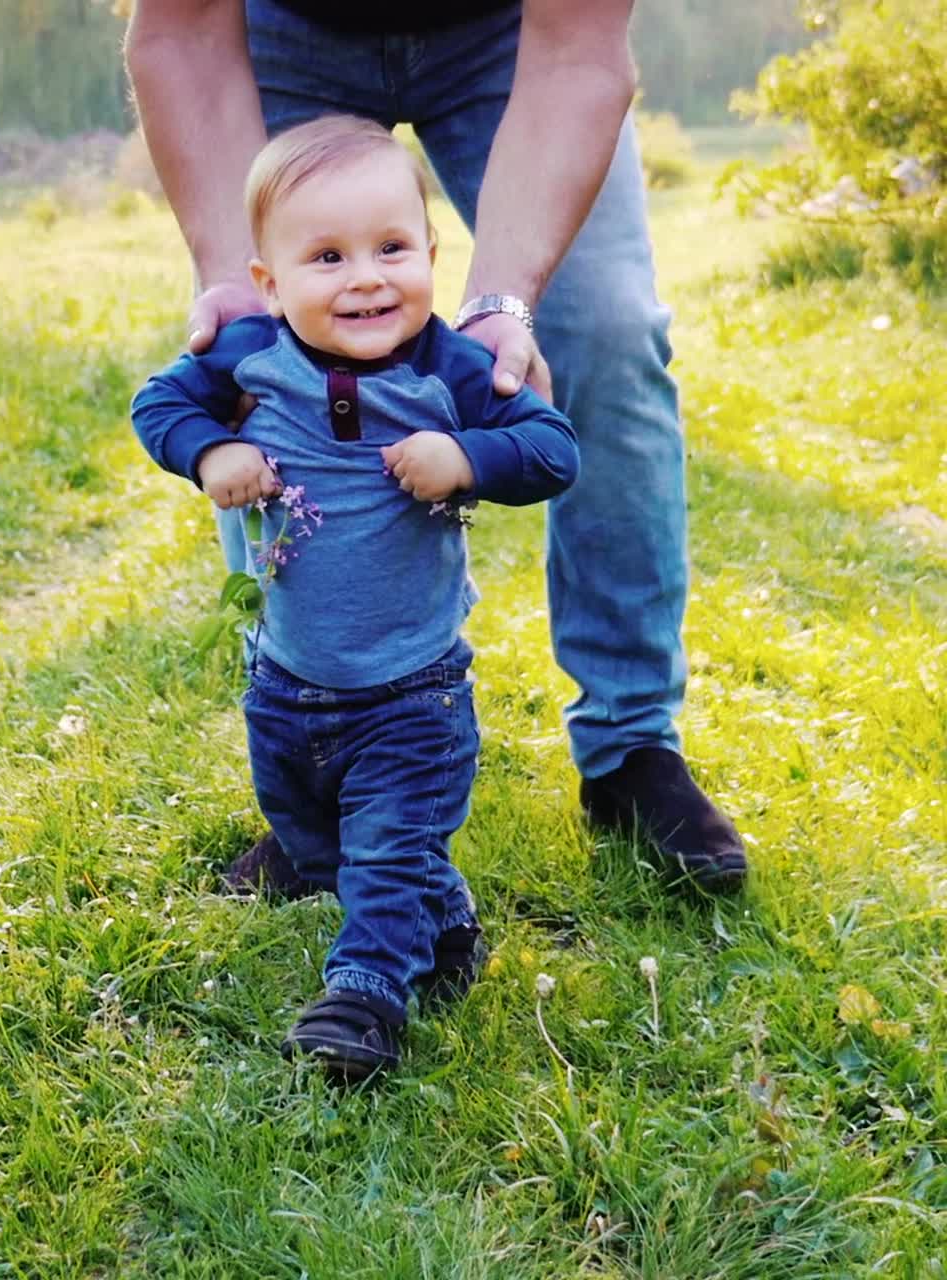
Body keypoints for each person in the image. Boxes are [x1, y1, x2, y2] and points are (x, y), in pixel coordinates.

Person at [125, 0, 749, 895]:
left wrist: (505, 300)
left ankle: (630, 746)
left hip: (511, 37)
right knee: (265, 352)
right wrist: (234, 275)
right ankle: (316, 766)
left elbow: (578, 46)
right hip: (280, 34)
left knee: (606, 326)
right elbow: (182, 32)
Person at [132, 116, 579, 1077]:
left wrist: (467, 456)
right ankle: (446, 918)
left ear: (430, 252)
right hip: (288, 679)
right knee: (309, 832)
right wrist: (211, 450)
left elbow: (553, 450)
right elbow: (155, 405)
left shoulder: (451, 367)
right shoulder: (249, 354)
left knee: (383, 848)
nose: (367, 278)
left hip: (412, 691)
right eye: (327, 257)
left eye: (392, 248)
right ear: (269, 283)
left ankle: (365, 997)